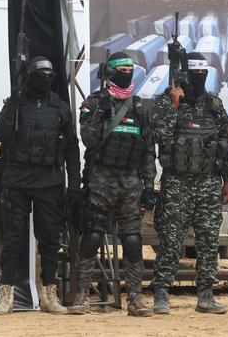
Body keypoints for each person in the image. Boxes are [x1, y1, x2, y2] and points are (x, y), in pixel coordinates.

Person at [0, 57, 80, 315]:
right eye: (40, 73)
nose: (46, 77)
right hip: (17, 181)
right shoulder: (16, 104)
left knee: (50, 240)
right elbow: (0, 133)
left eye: (50, 74)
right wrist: (14, 99)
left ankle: (49, 294)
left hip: (49, 182)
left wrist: (74, 183)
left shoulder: (60, 107)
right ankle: (5, 292)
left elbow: (72, 148)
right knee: (13, 238)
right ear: (29, 76)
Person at [70, 52, 155, 317]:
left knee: (131, 240)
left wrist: (149, 187)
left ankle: (135, 299)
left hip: (130, 182)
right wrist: (100, 114)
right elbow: (89, 140)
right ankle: (82, 295)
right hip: (100, 179)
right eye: (123, 68)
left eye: (131, 68)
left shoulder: (140, 107)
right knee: (92, 235)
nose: (127, 72)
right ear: (111, 72)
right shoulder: (95, 102)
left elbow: (148, 151)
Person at [150, 53, 228, 315]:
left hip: (209, 182)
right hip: (177, 183)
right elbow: (160, 137)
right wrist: (174, 106)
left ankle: (206, 295)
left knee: (208, 240)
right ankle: (161, 293)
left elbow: (224, 146)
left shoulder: (215, 105)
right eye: (194, 73)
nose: (199, 78)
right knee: (171, 239)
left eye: (203, 73)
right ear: (184, 74)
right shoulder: (167, 102)